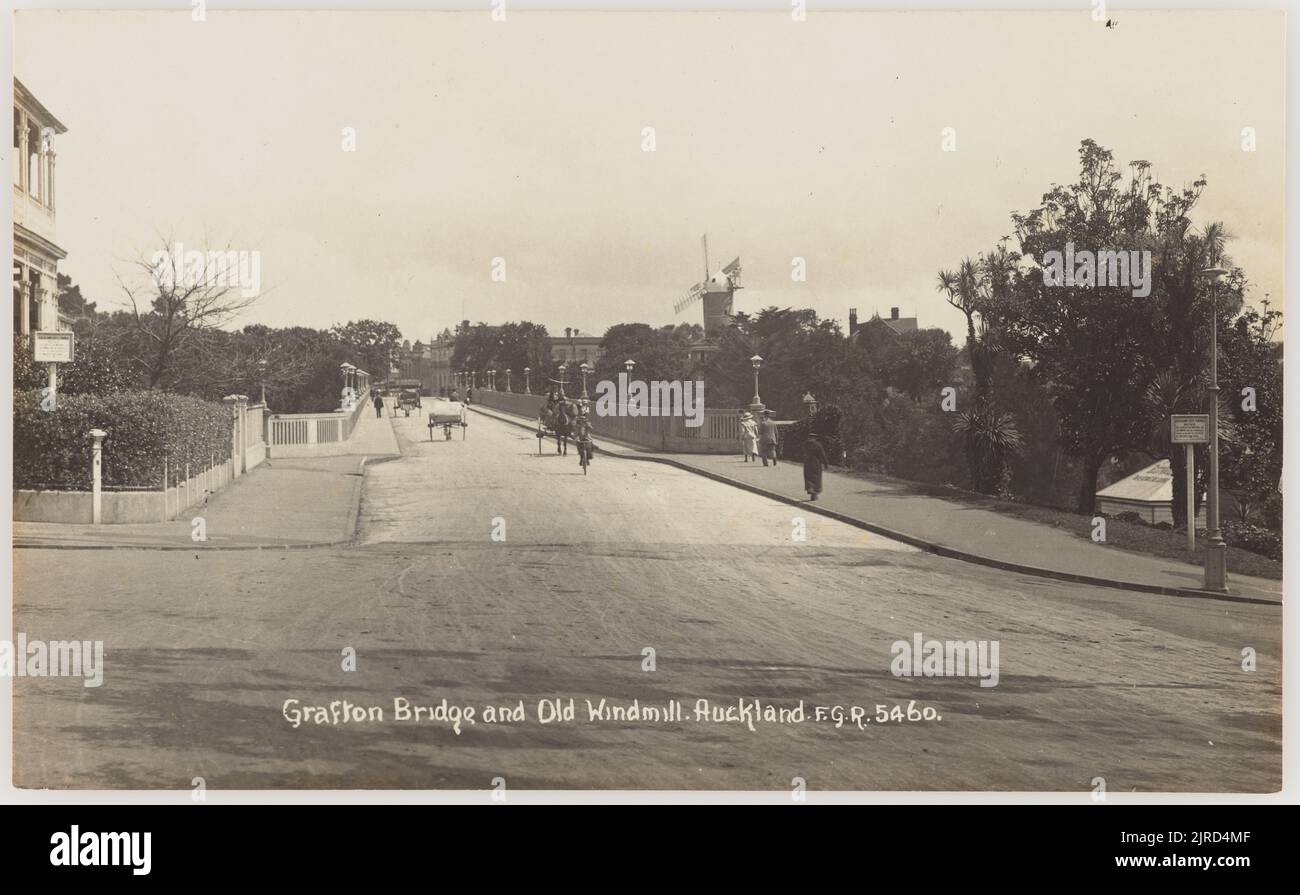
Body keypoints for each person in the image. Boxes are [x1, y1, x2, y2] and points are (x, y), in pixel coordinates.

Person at [803, 432, 828, 501]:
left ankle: (810, 488)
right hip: (816, 463)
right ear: (815, 438)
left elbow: (804, 452)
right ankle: (815, 493)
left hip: (807, 463)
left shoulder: (806, 444)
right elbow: (823, 455)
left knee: (808, 477)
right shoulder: (818, 444)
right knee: (816, 478)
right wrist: (826, 464)